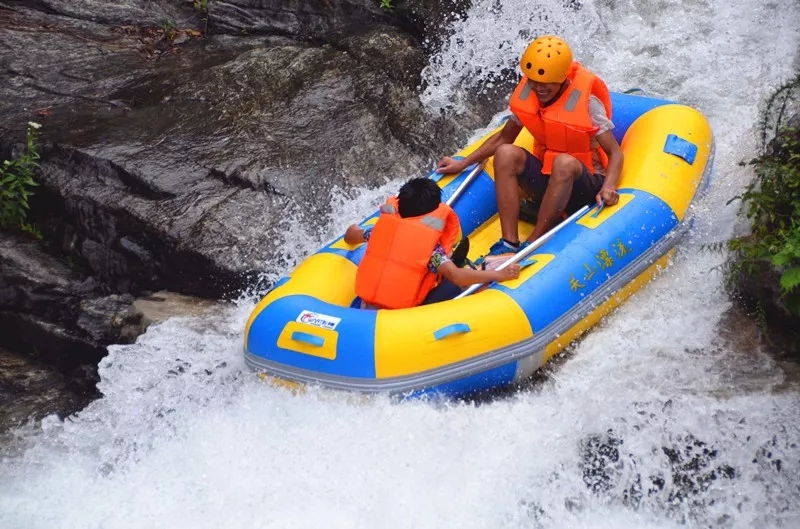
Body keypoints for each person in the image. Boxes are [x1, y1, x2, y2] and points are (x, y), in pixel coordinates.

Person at [436, 35, 624, 257]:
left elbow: (615, 153)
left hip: (585, 185)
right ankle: (509, 242)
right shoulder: (529, 93)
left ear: (562, 78)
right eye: (533, 81)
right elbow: (503, 139)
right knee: (505, 153)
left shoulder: (588, 104)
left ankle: (533, 243)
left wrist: (609, 187)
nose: (538, 88)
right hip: (548, 179)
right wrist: (464, 163)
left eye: (546, 84)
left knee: (563, 163)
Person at [343, 177, 521, 309]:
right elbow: (456, 276)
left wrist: (352, 231)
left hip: (368, 305)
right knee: (453, 283)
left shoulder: (375, 232)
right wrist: (500, 275)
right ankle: (482, 267)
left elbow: (350, 236)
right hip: (402, 315)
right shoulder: (433, 252)